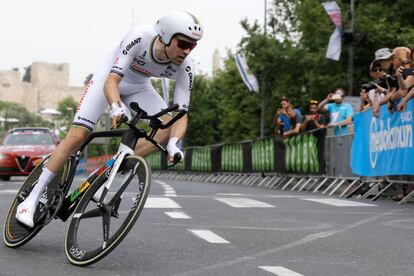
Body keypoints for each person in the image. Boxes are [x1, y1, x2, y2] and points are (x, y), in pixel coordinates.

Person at [15, 11, 203, 228]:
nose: (187, 51)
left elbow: (181, 114)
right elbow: (112, 81)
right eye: (183, 44)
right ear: (166, 36)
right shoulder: (139, 36)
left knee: (167, 128)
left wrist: (173, 144)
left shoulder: (185, 66)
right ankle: (31, 200)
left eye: (193, 46)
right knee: (77, 136)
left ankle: (102, 173)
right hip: (108, 81)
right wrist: (115, 107)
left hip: (139, 88)